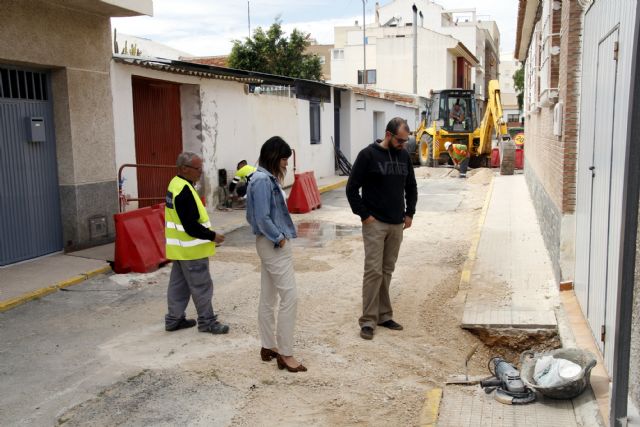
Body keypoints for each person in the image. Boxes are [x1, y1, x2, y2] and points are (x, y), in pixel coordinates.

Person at [346, 117, 418, 340]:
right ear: (388, 135)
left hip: (397, 224)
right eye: (399, 140)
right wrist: (365, 216)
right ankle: (368, 320)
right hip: (375, 223)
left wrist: (409, 213)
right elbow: (351, 188)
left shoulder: (404, 156)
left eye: (405, 141)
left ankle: (384, 315)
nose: (403, 145)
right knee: (373, 271)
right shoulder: (367, 155)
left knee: (386, 271)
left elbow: (411, 186)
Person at [246, 136, 307, 373]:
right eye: (283, 159)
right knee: (290, 297)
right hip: (273, 244)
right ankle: (285, 353)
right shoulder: (262, 180)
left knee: (269, 296)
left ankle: (268, 346)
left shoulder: (262, 178)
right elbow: (262, 217)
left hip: (269, 243)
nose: (285, 164)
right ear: (274, 157)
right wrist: (279, 238)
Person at [164, 152, 229, 335]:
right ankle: (207, 322)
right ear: (184, 169)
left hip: (179, 249)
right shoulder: (184, 191)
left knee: (178, 286)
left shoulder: (175, 184)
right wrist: (212, 236)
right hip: (192, 250)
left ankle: (173, 319)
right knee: (201, 287)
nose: (200, 172)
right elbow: (190, 226)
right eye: (197, 168)